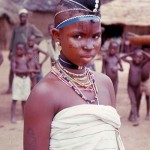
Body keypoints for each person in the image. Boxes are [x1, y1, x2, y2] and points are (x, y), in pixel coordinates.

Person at [24, 0, 125, 150]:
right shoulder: (43, 94)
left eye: (96, 36)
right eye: (78, 36)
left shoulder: (105, 83)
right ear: (57, 36)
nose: (89, 46)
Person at [5, 8, 43, 94]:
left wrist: (32, 42)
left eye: (24, 17)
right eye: (21, 17)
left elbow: (40, 36)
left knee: (27, 69)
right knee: (12, 69)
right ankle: (10, 87)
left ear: (27, 17)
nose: (22, 18)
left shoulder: (31, 27)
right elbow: (12, 40)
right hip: (16, 52)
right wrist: (10, 51)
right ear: (19, 17)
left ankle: (29, 87)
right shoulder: (16, 28)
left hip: (26, 53)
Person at [121, 50, 150, 126]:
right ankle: (135, 118)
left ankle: (131, 116)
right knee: (133, 102)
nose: (137, 59)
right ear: (133, 57)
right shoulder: (131, 63)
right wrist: (131, 53)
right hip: (130, 87)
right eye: (136, 57)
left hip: (137, 87)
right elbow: (122, 57)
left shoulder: (141, 64)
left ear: (141, 59)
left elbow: (149, 57)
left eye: (140, 57)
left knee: (135, 102)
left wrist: (142, 52)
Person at [11, 43, 31, 123]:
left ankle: (24, 116)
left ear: (24, 50)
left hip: (26, 80)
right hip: (18, 79)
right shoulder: (15, 59)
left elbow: (30, 68)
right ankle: (13, 116)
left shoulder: (26, 59)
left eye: (21, 49)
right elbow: (14, 70)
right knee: (15, 98)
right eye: (17, 49)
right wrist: (26, 71)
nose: (19, 51)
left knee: (24, 99)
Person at [139, 46, 150, 120]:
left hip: (147, 81)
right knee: (138, 98)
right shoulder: (139, 59)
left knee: (148, 98)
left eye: (147, 51)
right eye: (144, 51)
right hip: (139, 81)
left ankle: (148, 113)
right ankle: (135, 113)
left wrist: (144, 52)